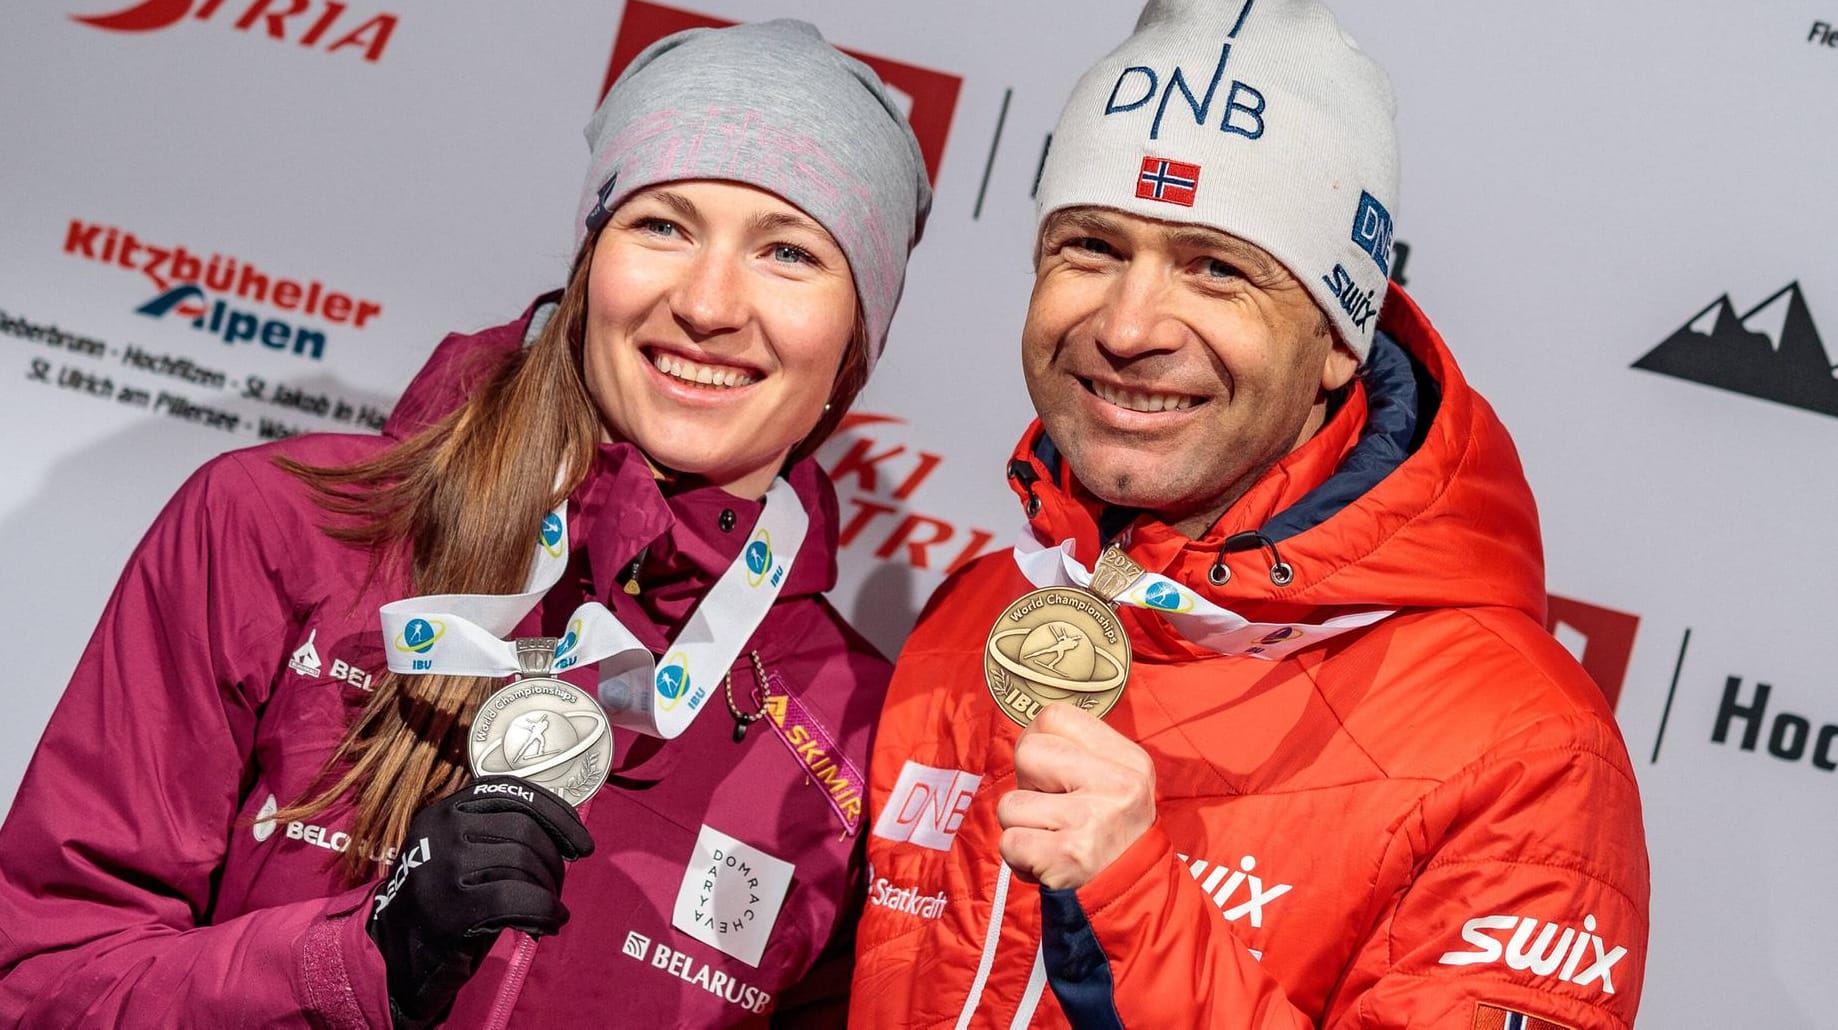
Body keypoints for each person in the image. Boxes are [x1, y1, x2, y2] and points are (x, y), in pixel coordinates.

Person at [0, 18, 928, 1028]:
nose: (707, 303)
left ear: (854, 337)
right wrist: (358, 963)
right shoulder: (282, 527)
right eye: (661, 225)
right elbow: (45, 980)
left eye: (788, 251)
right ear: (589, 261)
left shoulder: (862, 730)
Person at [850, 1, 1649, 1028]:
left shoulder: (1526, 750)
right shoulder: (979, 609)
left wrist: (1133, 902)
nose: (1128, 327)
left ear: (1333, 342)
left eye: (1215, 268)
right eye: (1089, 247)